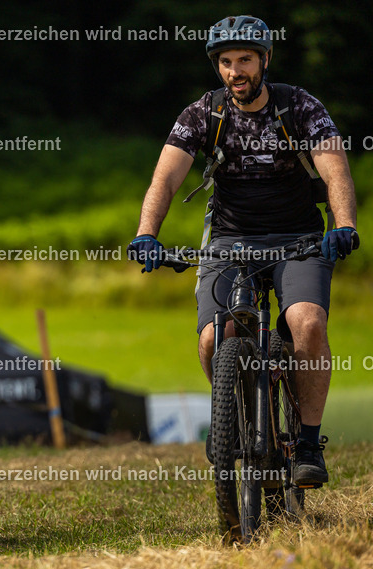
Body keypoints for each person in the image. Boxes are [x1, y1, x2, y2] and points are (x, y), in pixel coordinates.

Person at [127, 16, 359, 486]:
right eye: (227, 62)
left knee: (307, 323)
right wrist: (146, 233)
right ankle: (231, 412)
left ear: (265, 60)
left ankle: (307, 443)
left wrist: (344, 225)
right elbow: (165, 178)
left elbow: (335, 170)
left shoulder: (299, 106)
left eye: (246, 60)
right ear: (218, 67)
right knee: (214, 339)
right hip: (230, 242)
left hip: (298, 239)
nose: (236, 71)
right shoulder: (203, 114)